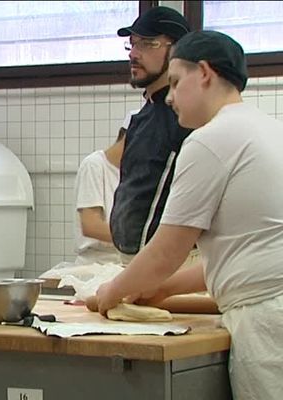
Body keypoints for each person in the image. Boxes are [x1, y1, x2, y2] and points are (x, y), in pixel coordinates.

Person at [95, 30, 283, 399]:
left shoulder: (211, 139)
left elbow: (167, 251)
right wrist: (161, 288)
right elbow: (241, 251)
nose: (169, 98)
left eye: (177, 83)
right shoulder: (267, 128)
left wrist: (108, 293)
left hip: (269, 323)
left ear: (206, 73)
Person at [109, 6, 193, 264]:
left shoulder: (186, 118)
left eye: (147, 44)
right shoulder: (141, 117)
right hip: (131, 257)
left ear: (177, 49)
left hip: (169, 263)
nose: (134, 54)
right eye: (132, 44)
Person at [73, 110, 136, 266]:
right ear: (129, 138)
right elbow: (91, 225)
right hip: (96, 265)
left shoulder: (135, 173)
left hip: (126, 262)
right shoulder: (95, 165)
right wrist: (138, 241)